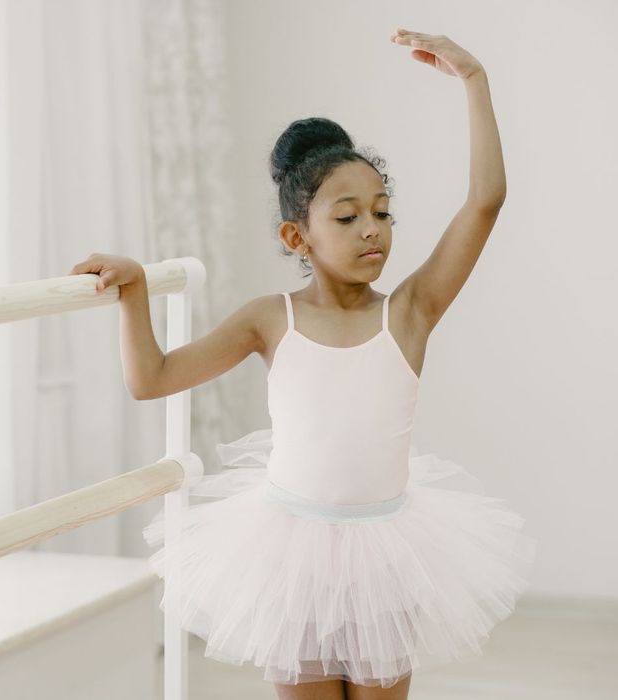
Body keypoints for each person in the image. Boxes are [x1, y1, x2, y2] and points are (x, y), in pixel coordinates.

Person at [69, 29, 537, 700]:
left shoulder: (408, 314)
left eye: (382, 211)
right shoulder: (270, 320)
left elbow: (485, 201)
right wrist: (135, 291)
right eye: (347, 217)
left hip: (387, 555)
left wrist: (474, 79)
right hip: (292, 557)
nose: (372, 229)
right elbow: (153, 379)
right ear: (298, 237)